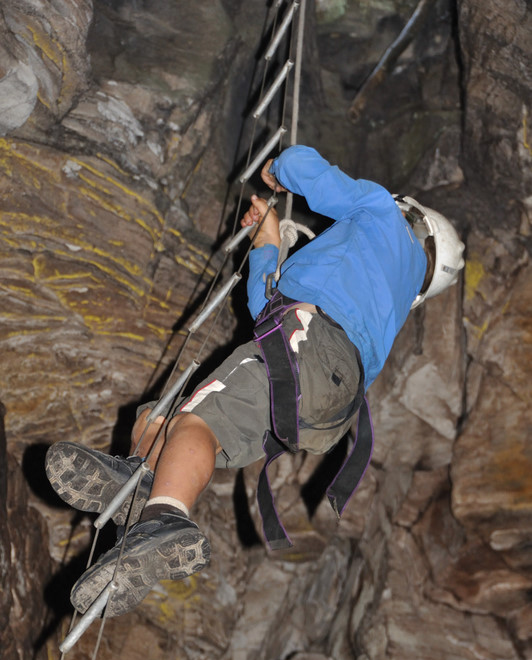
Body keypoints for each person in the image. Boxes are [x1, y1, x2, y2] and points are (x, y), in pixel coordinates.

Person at [46, 145, 464, 617]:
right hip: (327, 402)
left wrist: (279, 170)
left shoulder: (382, 214)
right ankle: (144, 484)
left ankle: (164, 517)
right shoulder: (383, 303)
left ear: (413, 217)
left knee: (195, 424)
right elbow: (266, 303)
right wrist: (268, 241)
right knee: (160, 421)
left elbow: (312, 171)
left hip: (304, 346)